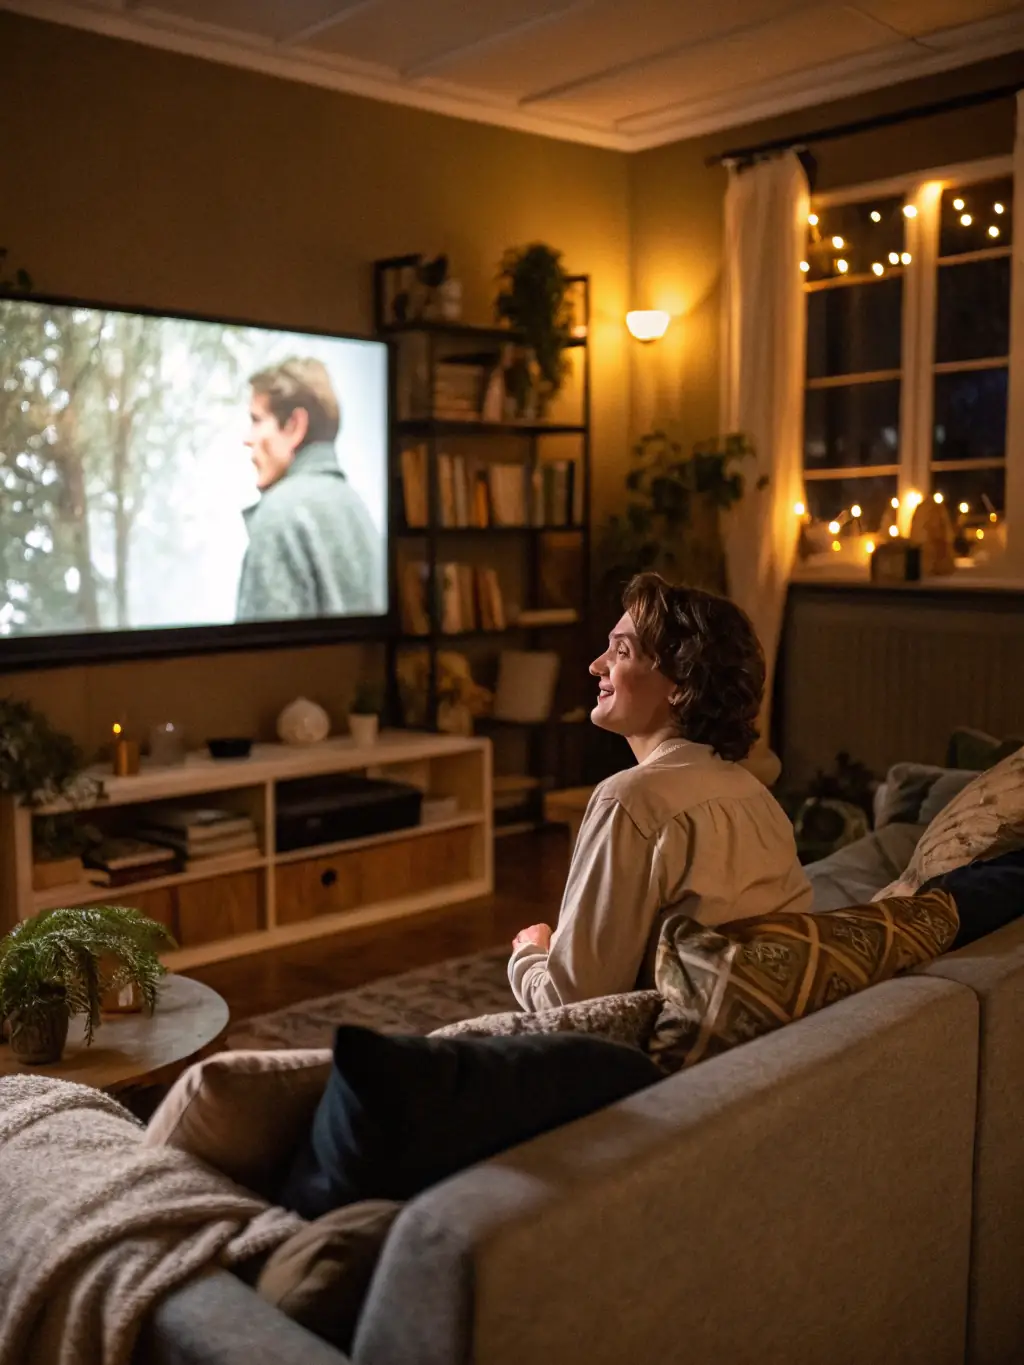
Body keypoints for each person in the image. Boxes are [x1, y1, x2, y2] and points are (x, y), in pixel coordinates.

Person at [509, 572, 812, 1012]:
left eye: (622, 651)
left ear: (681, 685)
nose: (597, 665)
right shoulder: (757, 796)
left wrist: (530, 954)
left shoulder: (630, 800)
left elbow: (572, 1003)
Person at [235, 357, 381, 622]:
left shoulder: (279, 514)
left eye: (256, 421)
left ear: (294, 426)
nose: (247, 439)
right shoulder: (357, 508)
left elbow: (261, 657)